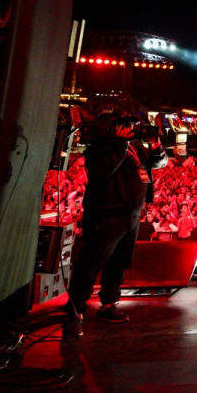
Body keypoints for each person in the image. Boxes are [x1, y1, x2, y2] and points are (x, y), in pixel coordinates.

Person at [63, 113, 167, 339]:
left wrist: (156, 145)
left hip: (131, 214)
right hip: (106, 213)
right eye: (127, 126)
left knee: (120, 262)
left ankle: (108, 303)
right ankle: (74, 312)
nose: (133, 129)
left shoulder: (138, 148)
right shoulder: (100, 148)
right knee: (91, 263)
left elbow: (160, 162)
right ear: (115, 128)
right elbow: (103, 171)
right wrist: (119, 144)